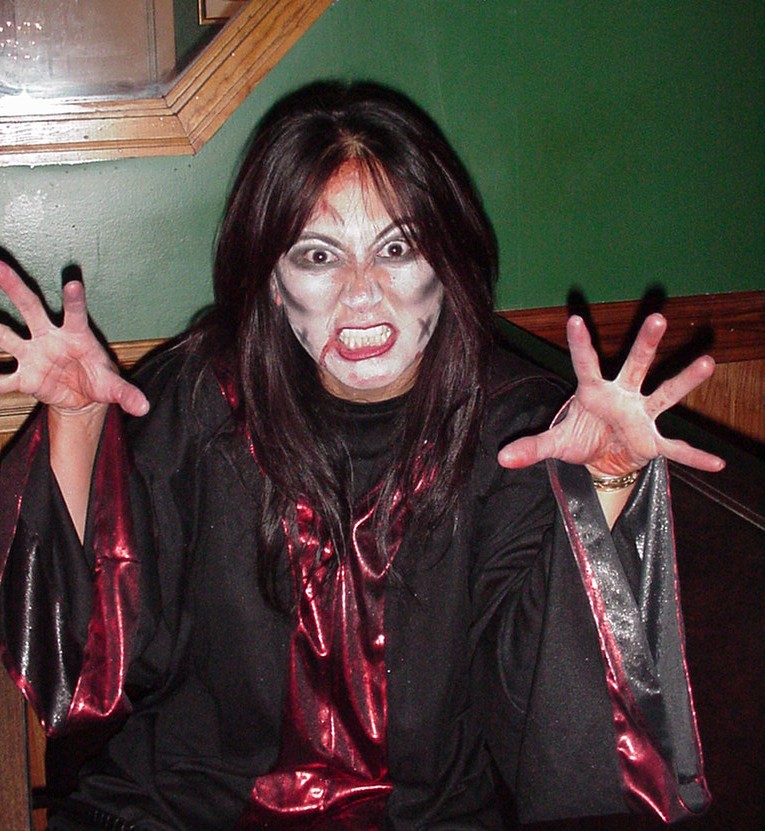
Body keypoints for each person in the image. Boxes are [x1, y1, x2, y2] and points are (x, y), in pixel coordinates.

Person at [0, 82, 723, 831]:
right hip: (192, 802)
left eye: (397, 248)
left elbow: (541, 703)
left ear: (447, 263)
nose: (362, 293)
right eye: (319, 255)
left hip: (427, 816)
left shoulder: (514, 430)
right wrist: (76, 420)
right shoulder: (204, 401)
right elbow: (87, 652)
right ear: (271, 283)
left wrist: (604, 478)